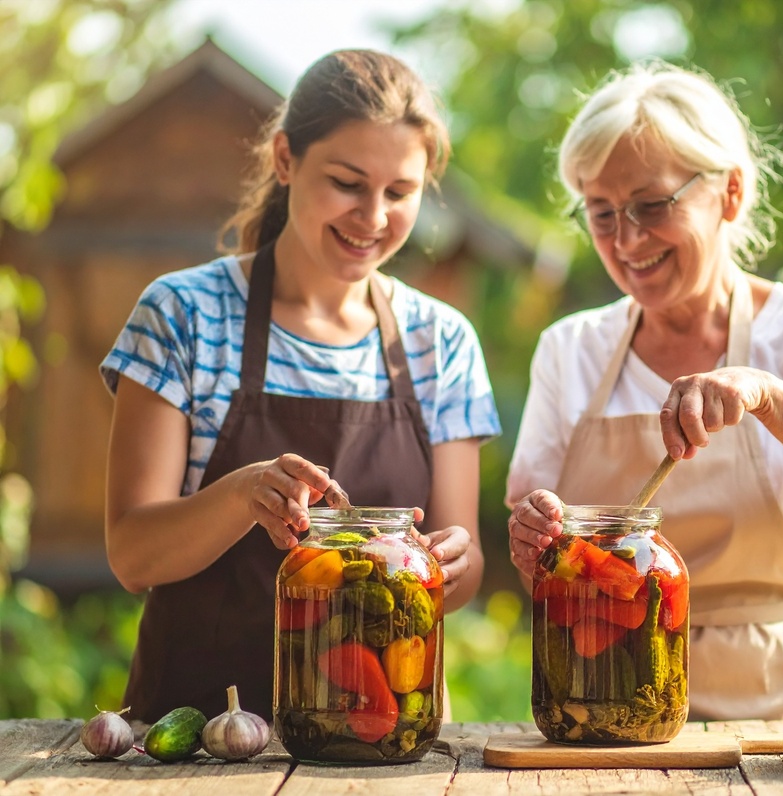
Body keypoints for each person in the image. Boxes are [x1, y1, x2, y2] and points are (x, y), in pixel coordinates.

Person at [505, 61, 783, 721]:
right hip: (609, 704)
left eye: (651, 205)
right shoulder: (569, 348)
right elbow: (532, 544)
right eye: (602, 213)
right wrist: (533, 531)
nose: (626, 239)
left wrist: (767, 395)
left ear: (730, 192)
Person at [101, 49, 500, 723]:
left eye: (399, 192)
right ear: (286, 160)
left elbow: (465, 571)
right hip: (197, 737)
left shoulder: (441, 340)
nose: (373, 217)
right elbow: (132, 555)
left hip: (383, 736)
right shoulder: (182, 315)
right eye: (347, 183)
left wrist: (454, 565)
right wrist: (241, 495)